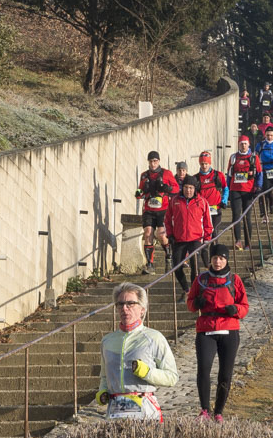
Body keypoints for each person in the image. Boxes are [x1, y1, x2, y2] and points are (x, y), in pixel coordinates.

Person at [96, 283, 179, 421]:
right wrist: (103, 391)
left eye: (130, 304)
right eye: (120, 304)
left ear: (142, 309)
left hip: (145, 411)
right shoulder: (107, 341)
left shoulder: (154, 338)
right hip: (114, 413)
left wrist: (148, 373)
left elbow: (172, 377)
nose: (124, 308)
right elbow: (104, 376)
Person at [187, 242, 249, 424]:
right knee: (204, 370)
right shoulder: (200, 280)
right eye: (215, 258)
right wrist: (195, 304)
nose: (218, 261)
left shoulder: (235, 280)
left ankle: (219, 412)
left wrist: (235, 310)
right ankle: (204, 410)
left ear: (226, 259)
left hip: (229, 329)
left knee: (225, 373)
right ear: (210, 259)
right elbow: (190, 303)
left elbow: (244, 306)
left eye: (221, 258)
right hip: (206, 329)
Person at [165, 177, 213, 299]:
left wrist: (207, 238)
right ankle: (186, 289)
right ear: (182, 188)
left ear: (195, 188)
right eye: (186, 187)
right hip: (178, 239)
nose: (188, 190)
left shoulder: (201, 202)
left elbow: (208, 222)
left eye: (191, 188)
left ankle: (195, 290)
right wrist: (170, 235)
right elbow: (167, 219)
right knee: (177, 267)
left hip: (195, 239)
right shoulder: (174, 201)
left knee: (194, 266)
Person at [136, 151, 179, 273]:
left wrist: (167, 188)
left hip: (163, 209)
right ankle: (150, 264)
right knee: (148, 233)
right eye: (151, 161)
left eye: (155, 161)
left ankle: (168, 256)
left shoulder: (166, 173)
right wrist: (139, 193)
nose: (153, 163)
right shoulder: (144, 175)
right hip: (149, 209)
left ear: (159, 161)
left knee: (161, 234)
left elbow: (176, 188)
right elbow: (140, 191)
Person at [226, 135, 263, 249]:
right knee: (236, 216)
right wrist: (228, 190)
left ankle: (248, 242)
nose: (243, 145)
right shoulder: (233, 157)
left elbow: (259, 173)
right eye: (241, 143)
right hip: (235, 190)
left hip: (248, 191)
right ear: (238, 144)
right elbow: (229, 175)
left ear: (249, 144)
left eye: (245, 143)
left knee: (247, 217)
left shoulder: (254, 157)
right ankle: (238, 241)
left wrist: (259, 187)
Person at [195, 151, 229, 238]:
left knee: (214, 233)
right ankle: (204, 251)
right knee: (203, 234)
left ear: (209, 163)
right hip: (202, 211)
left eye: (206, 163)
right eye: (202, 164)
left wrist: (224, 201)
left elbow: (225, 189)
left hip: (216, 209)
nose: (204, 166)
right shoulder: (196, 178)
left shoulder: (218, 175)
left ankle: (214, 251)